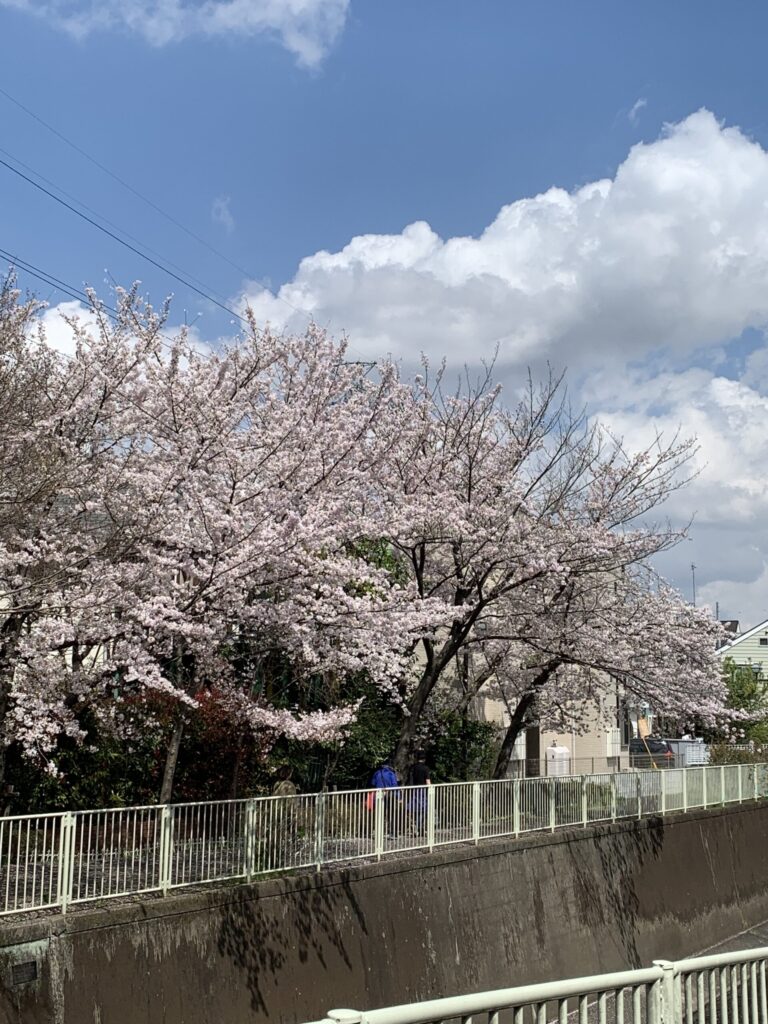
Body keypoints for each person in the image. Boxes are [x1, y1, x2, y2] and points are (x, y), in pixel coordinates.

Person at [369, 757, 400, 836]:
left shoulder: (377, 773)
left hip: (379, 795)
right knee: (392, 814)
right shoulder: (391, 773)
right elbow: (394, 785)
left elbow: (373, 783)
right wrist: (399, 797)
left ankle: (379, 831)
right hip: (390, 795)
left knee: (380, 814)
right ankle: (393, 832)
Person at [407, 750, 431, 836]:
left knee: (413, 809)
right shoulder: (426, 768)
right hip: (423, 790)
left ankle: (415, 826)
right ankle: (419, 828)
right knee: (423, 810)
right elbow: (428, 781)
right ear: (424, 759)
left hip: (413, 790)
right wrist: (431, 789)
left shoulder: (413, 768)